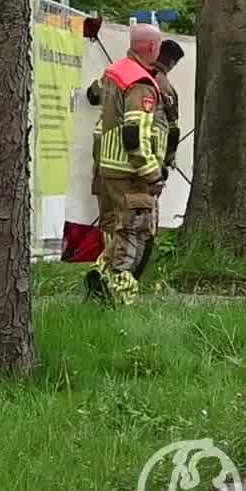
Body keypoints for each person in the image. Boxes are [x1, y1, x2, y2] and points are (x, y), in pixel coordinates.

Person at [85, 23, 172, 306]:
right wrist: (152, 173)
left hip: (110, 166)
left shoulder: (115, 73)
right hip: (131, 171)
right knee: (134, 231)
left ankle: (99, 274)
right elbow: (134, 134)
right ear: (152, 48)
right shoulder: (141, 83)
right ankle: (124, 295)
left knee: (122, 228)